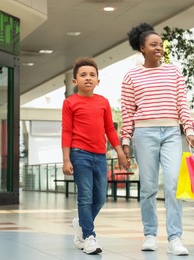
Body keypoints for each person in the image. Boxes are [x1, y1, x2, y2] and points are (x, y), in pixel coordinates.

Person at [121, 23, 194, 256]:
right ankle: (150, 234)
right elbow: (127, 111)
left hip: (172, 133)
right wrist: (125, 140)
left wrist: (190, 130)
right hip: (144, 134)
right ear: (142, 49)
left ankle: (175, 238)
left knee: (173, 184)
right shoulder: (131, 76)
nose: (159, 48)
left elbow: (181, 104)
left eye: (161, 45)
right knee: (148, 187)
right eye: (153, 44)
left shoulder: (174, 72)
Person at [61, 57, 130, 255]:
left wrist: (119, 152)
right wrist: (66, 159)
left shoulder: (103, 102)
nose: (88, 78)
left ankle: (81, 224)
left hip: (100, 156)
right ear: (75, 81)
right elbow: (66, 131)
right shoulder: (70, 103)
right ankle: (89, 237)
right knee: (85, 197)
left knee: (100, 198)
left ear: (98, 81)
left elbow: (110, 128)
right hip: (79, 154)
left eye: (92, 75)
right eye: (83, 75)